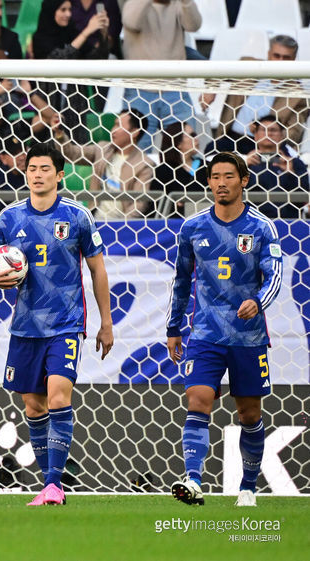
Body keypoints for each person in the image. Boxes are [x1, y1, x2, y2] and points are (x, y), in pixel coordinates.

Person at [0, 142, 113, 505]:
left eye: (45, 169)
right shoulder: (9, 219)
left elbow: (97, 269)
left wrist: (106, 323)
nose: (37, 174)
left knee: (59, 394)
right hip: (25, 326)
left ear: (60, 175)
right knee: (34, 405)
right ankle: (47, 483)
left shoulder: (77, 217)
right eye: (32, 168)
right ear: (25, 173)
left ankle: (54, 484)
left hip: (66, 323)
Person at [167, 151, 283, 507]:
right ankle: (194, 479)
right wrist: (174, 327)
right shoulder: (193, 228)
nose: (221, 183)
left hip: (248, 337)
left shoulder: (261, 227)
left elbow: (275, 273)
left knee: (249, 413)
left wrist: (259, 300)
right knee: (197, 399)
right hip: (205, 334)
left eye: (229, 176)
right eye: (215, 177)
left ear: (244, 180)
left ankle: (248, 487)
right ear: (208, 183)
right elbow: (182, 279)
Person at [201, 35, 310, 151]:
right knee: (211, 151)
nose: (280, 61)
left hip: (263, 146)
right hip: (230, 137)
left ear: (294, 59)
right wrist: (210, 90)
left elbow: (294, 132)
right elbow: (215, 72)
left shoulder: (298, 94)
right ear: (269, 54)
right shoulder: (248, 66)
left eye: (286, 57)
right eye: (276, 56)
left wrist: (266, 132)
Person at [121, 0, 202, 151]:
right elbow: (132, 21)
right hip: (140, 90)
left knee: (186, 150)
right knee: (137, 154)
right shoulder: (134, 3)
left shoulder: (178, 5)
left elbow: (194, 25)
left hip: (175, 90)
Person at [32, 0, 110, 144]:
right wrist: (86, 32)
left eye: (69, 10)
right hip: (48, 106)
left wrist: (103, 32)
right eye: (62, 10)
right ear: (51, 11)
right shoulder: (40, 38)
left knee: (75, 151)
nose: (68, 14)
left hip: (76, 108)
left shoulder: (72, 33)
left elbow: (97, 59)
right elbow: (58, 60)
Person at [53, 109, 155, 218]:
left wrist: (124, 225)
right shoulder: (103, 149)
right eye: (114, 125)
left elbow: (140, 203)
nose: (113, 130)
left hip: (121, 223)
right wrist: (60, 134)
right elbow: (70, 153)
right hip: (94, 219)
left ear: (134, 132)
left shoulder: (144, 164)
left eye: (118, 125)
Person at [244, 115, 309, 220]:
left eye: (273, 130)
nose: (268, 134)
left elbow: (304, 196)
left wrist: (291, 173)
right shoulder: (243, 163)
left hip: (287, 223)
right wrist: (243, 166)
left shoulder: (295, 162)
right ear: (255, 135)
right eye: (263, 130)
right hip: (251, 223)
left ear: (282, 135)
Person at [152, 121, 206, 218]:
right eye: (192, 135)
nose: (197, 139)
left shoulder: (207, 167)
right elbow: (155, 206)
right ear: (178, 143)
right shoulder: (163, 171)